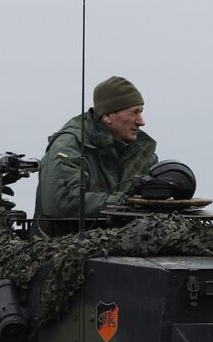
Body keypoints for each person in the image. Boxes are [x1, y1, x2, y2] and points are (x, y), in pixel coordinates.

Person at [34, 75, 158, 229]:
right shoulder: (69, 147)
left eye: (141, 111)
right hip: (63, 246)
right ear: (107, 116)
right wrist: (126, 202)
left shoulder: (140, 151)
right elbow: (61, 202)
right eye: (134, 113)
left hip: (124, 243)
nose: (141, 121)